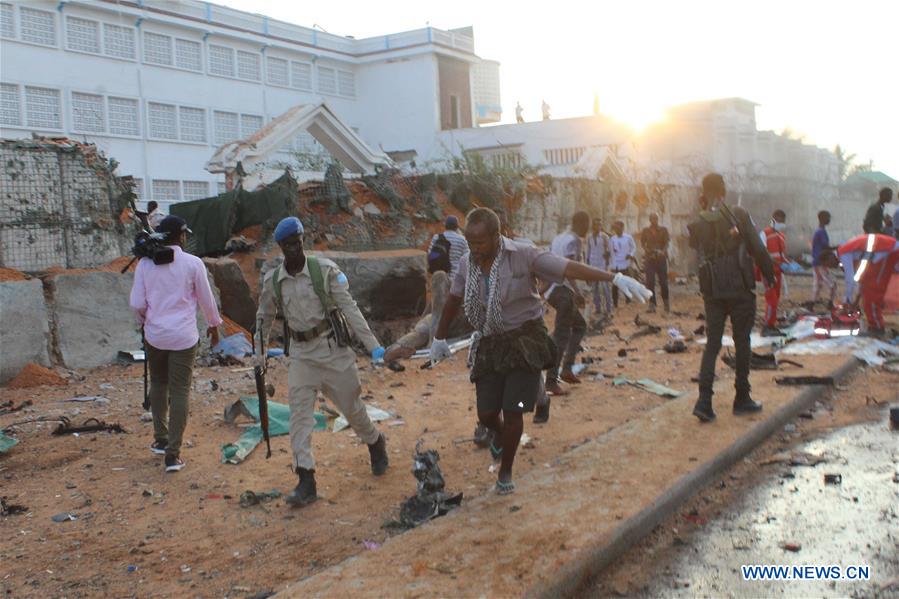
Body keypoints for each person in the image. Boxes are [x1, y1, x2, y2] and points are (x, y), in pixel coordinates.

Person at [429, 207, 651, 494]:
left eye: (480, 242)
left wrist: (615, 279)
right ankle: (498, 436)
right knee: (486, 413)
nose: (475, 249)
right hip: (490, 341)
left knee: (514, 411)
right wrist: (439, 338)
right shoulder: (466, 264)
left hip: (525, 340)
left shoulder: (524, 254)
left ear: (497, 237)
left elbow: (566, 268)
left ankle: (506, 469)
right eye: (470, 242)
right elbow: (454, 299)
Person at [255, 217, 389, 507]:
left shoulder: (324, 271)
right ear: (280, 246)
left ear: (303, 240)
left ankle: (375, 442)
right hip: (301, 355)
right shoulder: (274, 281)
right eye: (287, 245)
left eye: (297, 243)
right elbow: (263, 318)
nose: (293, 249)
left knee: (352, 409)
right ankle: (306, 479)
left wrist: (374, 346)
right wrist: (259, 354)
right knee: (299, 417)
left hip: (332, 351)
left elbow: (349, 308)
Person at [129, 215, 222, 472]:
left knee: (159, 383)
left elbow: (137, 304)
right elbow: (206, 300)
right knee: (180, 389)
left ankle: (160, 439)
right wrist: (214, 325)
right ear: (180, 236)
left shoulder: (145, 265)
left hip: (155, 336)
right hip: (183, 337)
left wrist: (146, 321)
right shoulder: (193, 264)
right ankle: (173, 453)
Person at [688, 173, 775, 423]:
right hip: (739, 288)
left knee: (712, 344)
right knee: (742, 341)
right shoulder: (738, 213)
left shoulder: (698, 221)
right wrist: (769, 275)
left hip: (713, 291)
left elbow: (699, 250)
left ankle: (704, 401)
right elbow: (757, 248)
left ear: (703, 193)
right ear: (724, 190)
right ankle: (742, 398)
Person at [543, 211, 590, 396]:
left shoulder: (558, 238)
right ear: (582, 224)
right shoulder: (575, 241)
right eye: (587, 225)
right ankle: (551, 380)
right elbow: (570, 269)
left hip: (552, 290)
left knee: (579, 326)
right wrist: (577, 292)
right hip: (564, 291)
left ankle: (567, 368)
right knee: (561, 336)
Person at [838, 233, 899, 337]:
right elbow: (861, 275)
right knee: (868, 292)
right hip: (886, 252)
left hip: (887, 251)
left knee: (872, 293)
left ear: (829, 257)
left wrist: (847, 300)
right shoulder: (852, 250)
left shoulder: (844, 253)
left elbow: (850, 279)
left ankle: (877, 328)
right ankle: (874, 325)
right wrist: (857, 296)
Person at [760, 209, 788, 336]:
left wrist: (789, 264)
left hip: (778, 272)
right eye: (779, 220)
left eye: (783, 221)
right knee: (772, 300)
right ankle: (767, 327)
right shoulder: (764, 233)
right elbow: (762, 253)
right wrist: (777, 263)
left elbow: (781, 255)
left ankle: (771, 324)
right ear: (773, 219)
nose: (781, 223)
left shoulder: (781, 236)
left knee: (775, 299)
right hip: (768, 271)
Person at [640, 213, 671, 313]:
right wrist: (646, 250)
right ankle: (652, 304)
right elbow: (642, 243)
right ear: (650, 220)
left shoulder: (663, 230)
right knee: (650, 282)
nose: (655, 220)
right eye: (653, 219)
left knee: (664, 283)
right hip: (650, 259)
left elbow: (667, 243)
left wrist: (662, 252)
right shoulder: (645, 231)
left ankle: (666, 303)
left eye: (656, 218)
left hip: (661, 259)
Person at [428, 215, 469, 281]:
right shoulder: (462, 240)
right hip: (455, 278)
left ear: (445, 225)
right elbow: (467, 259)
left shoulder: (437, 237)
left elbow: (430, 254)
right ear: (456, 227)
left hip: (439, 276)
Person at [811, 210, 839, 307]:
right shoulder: (821, 232)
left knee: (818, 285)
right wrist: (837, 247)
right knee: (832, 284)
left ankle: (813, 303)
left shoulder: (820, 231)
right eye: (828, 217)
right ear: (822, 218)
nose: (829, 220)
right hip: (819, 262)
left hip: (819, 262)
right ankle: (829, 303)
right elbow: (825, 247)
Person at [586, 218, 613, 318]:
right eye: (596, 225)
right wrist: (587, 265)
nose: (598, 227)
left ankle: (609, 309)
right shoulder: (589, 237)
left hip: (602, 265)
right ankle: (598, 309)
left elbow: (609, 251)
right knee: (595, 288)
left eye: (600, 225)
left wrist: (608, 264)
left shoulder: (605, 237)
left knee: (606, 288)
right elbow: (588, 252)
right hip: (593, 264)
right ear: (593, 226)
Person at [609, 221, 637, 307]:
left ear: (622, 227)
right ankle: (615, 303)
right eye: (615, 228)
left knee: (625, 282)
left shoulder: (628, 238)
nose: (616, 229)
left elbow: (634, 247)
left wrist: (631, 254)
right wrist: (611, 264)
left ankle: (628, 301)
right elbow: (611, 252)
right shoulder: (613, 239)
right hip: (615, 264)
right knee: (615, 285)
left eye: (618, 228)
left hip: (625, 264)